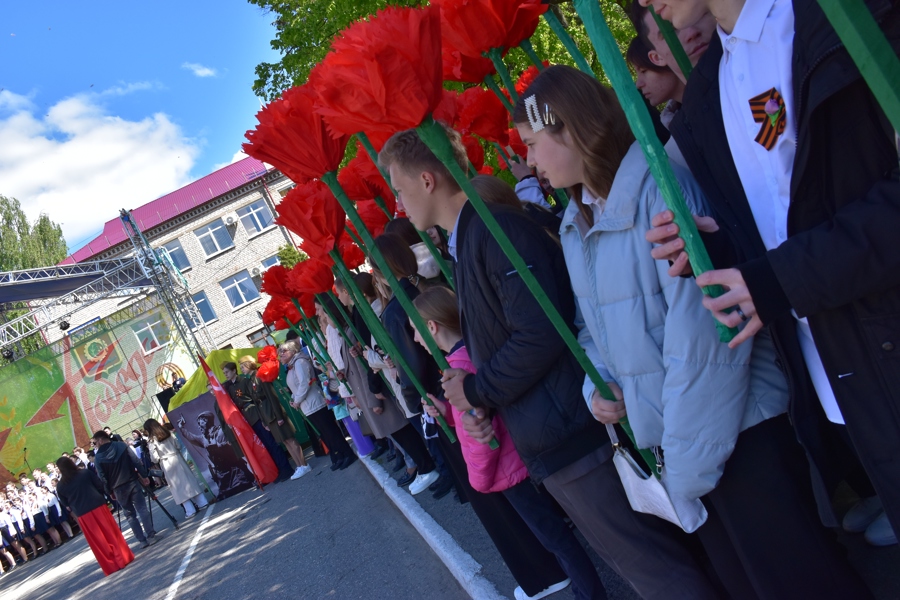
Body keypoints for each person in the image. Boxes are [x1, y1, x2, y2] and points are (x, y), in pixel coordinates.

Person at [515, 63, 872, 599]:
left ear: (568, 126)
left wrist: (684, 466)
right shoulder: (575, 224)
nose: (528, 160)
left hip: (738, 434)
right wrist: (599, 387)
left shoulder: (661, 192)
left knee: (801, 583)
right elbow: (589, 329)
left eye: (532, 142)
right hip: (684, 450)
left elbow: (707, 339)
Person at [379, 122, 719, 599]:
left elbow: (539, 332)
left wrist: (477, 390)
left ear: (426, 180)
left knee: (652, 563)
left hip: (571, 431)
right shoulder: (471, 238)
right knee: (641, 559)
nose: (398, 202)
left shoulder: (494, 230)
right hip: (553, 430)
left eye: (398, 188)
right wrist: (477, 400)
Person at [643, 0, 900, 549]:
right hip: (846, 380)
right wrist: (711, 247)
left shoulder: (842, 19)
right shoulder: (712, 87)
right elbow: (780, 224)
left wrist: (775, 281)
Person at [414, 286, 606, 600]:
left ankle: (590, 594)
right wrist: (447, 412)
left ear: (431, 326)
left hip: (507, 468)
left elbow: (481, 435)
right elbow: (474, 416)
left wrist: (478, 479)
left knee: (555, 537)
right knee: (561, 531)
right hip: (521, 460)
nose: (416, 338)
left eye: (415, 329)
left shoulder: (458, 369)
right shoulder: (471, 355)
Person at [279, 340, 357, 470]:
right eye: (279, 352)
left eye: (284, 351)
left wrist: (297, 400)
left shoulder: (300, 362)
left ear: (293, 351)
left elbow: (305, 383)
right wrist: (293, 398)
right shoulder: (292, 366)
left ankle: (347, 453)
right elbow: (296, 387)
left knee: (330, 430)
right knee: (324, 433)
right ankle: (339, 455)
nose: (281, 354)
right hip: (307, 406)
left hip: (315, 403)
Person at [236, 357, 313, 480]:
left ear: (250, 364)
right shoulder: (250, 381)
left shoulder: (261, 376)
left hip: (273, 413)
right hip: (267, 416)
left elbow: (272, 397)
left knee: (290, 439)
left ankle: (304, 464)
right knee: (284, 441)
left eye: (243, 366)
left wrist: (279, 415)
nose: (242, 369)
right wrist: (264, 421)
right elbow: (256, 403)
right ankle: (299, 465)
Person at [55, 456, 134, 575]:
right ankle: (123, 557)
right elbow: (100, 485)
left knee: (99, 541)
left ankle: (111, 565)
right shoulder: (85, 473)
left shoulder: (60, 486)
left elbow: (66, 503)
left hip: (83, 514)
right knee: (111, 533)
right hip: (98, 506)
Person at [222, 361, 294, 482]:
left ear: (234, 371)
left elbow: (254, 398)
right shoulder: (229, 387)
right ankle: (277, 470)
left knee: (271, 442)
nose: (225, 375)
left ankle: (286, 468)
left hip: (255, 415)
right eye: (224, 373)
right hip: (246, 420)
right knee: (265, 446)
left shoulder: (244, 381)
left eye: (227, 372)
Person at [92, 429, 162, 549]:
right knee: (142, 509)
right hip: (132, 481)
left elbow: (102, 477)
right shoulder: (121, 446)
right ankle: (151, 535)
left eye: (95, 443)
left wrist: (109, 491)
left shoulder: (98, 457)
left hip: (117, 488)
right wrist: (144, 475)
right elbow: (136, 461)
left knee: (130, 515)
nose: (95, 445)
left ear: (100, 440)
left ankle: (142, 540)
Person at [178, 412, 254, 499]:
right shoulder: (204, 438)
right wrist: (181, 427)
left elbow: (231, 449)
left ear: (207, 421)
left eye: (200, 423)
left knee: (244, 489)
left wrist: (221, 446)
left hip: (236, 472)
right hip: (222, 478)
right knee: (226, 496)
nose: (199, 426)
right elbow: (191, 437)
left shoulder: (221, 432)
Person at [143, 419, 210, 517]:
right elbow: (178, 445)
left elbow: (154, 458)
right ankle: (202, 502)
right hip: (177, 458)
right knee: (189, 480)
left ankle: (190, 510)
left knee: (177, 487)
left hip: (166, 463)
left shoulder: (152, 441)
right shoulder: (168, 433)